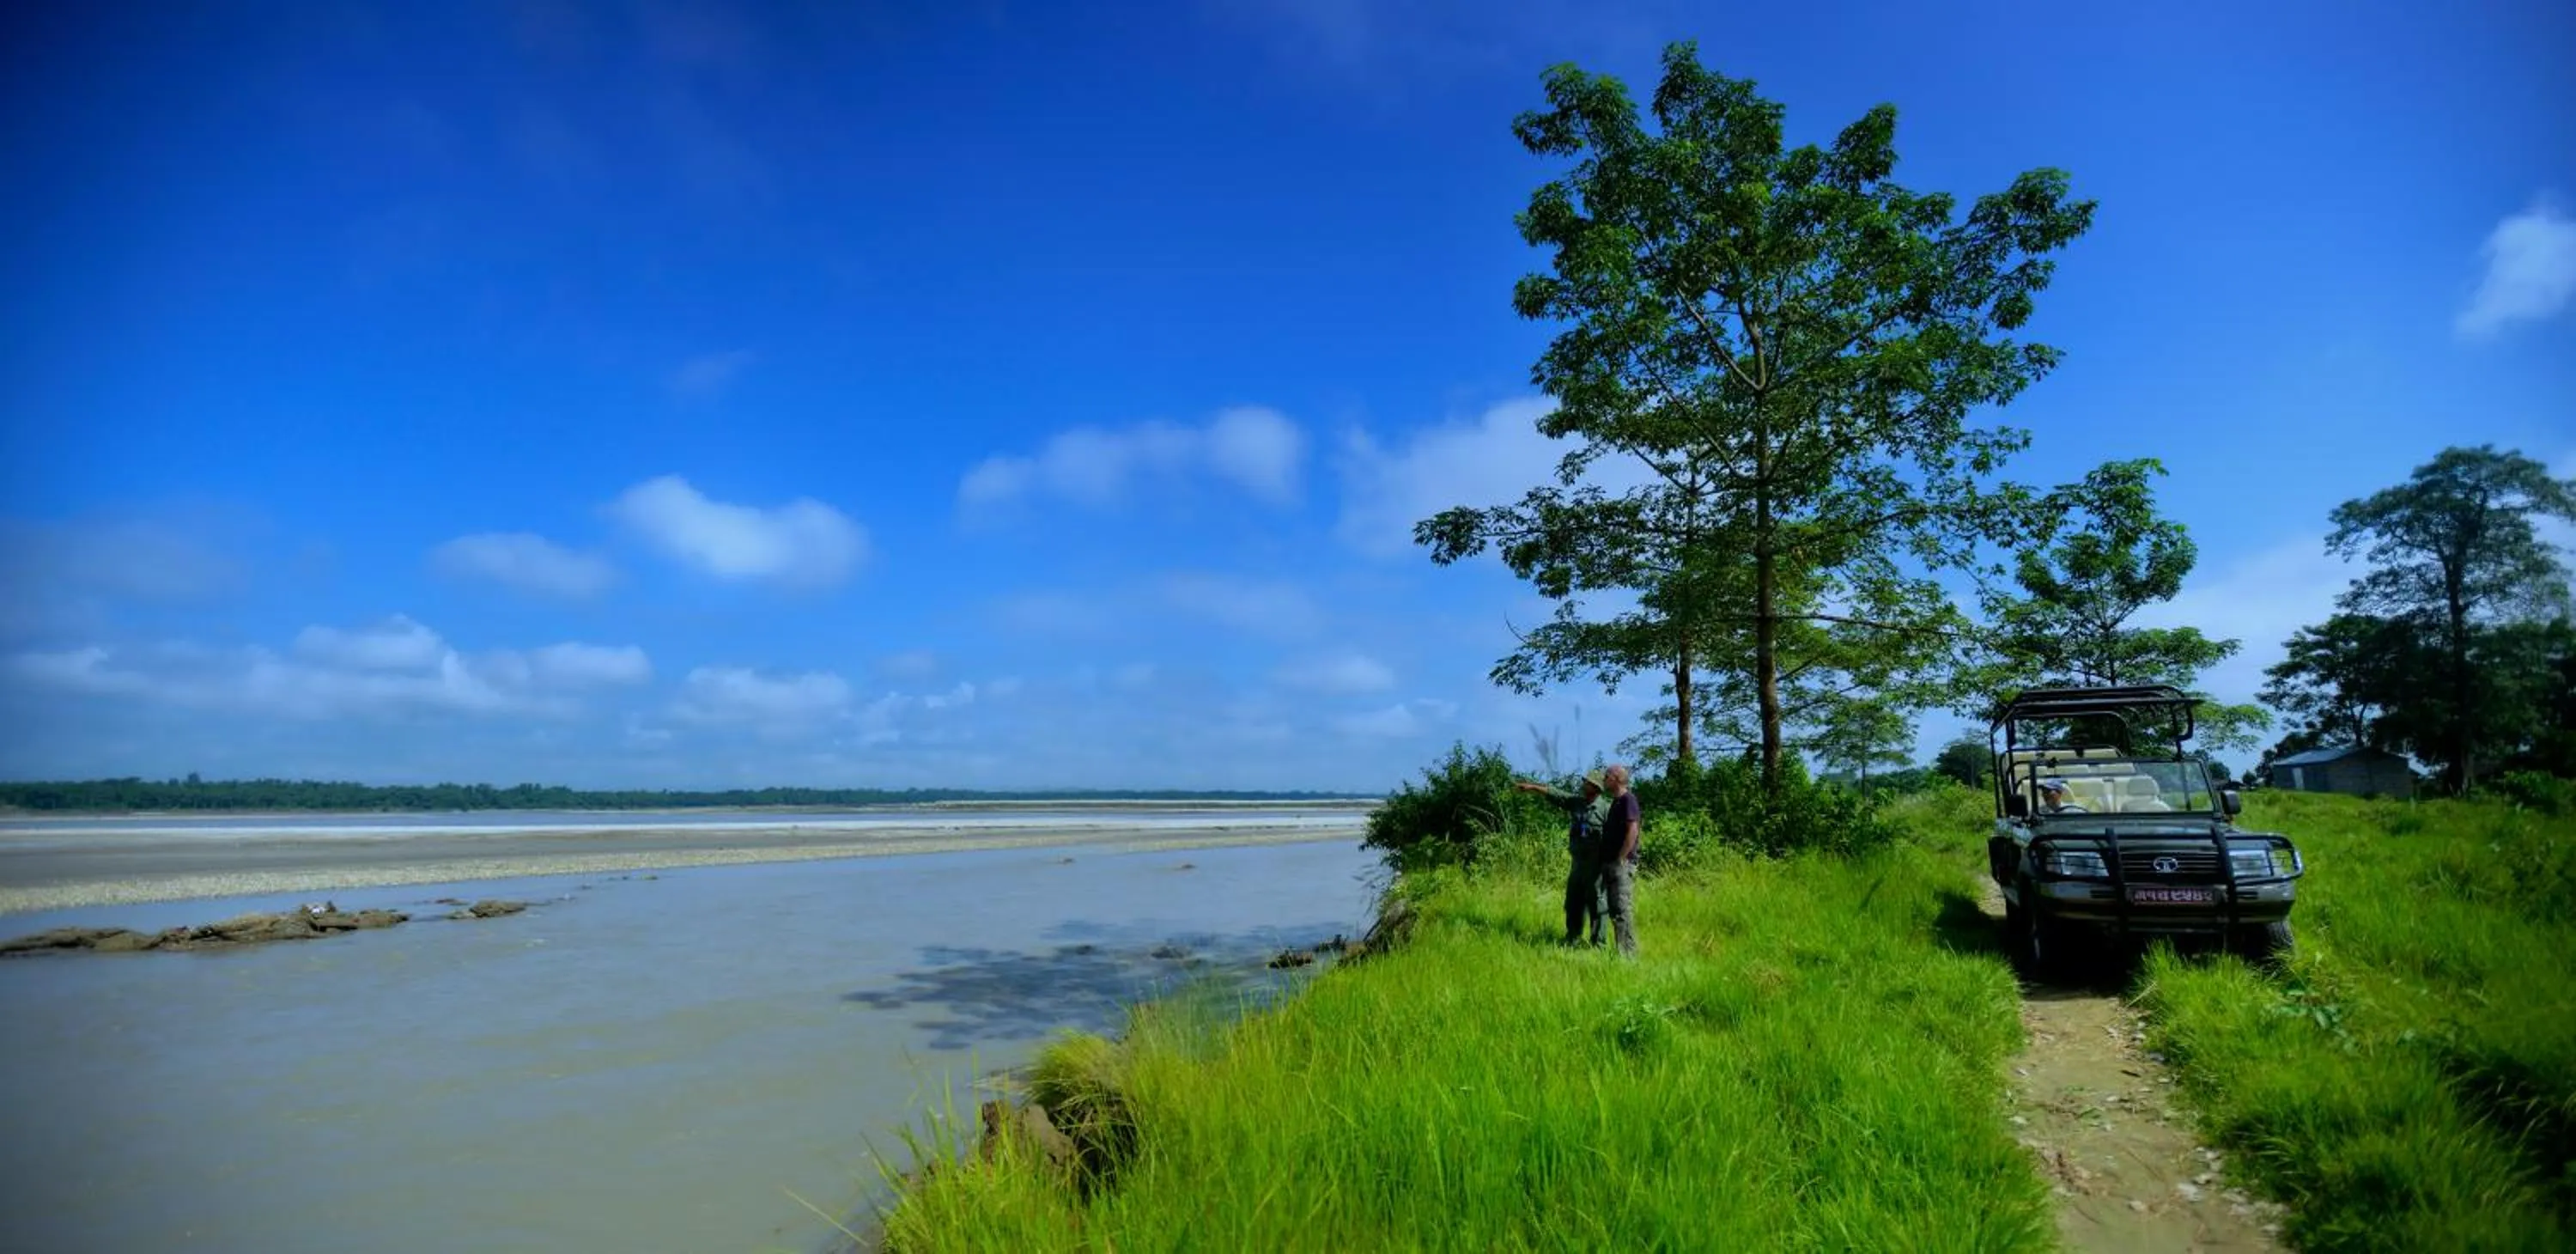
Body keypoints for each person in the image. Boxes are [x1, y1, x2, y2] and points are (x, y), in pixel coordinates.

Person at [1512, 768, 1611, 947]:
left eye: (1587, 782)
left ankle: (1598, 944)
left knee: (1597, 904)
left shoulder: (1606, 809)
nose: (1584, 784)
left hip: (1596, 867)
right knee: (1573, 902)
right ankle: (1572, 938)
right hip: (1577, 864)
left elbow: (1614, 837)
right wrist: (1533, 787)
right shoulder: (1577, 803)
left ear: (1595, 787)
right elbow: (1556, 794)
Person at [1598, 764, 1641, 957]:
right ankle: (1621, 951)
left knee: (1622, 909)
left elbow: (1633, 830)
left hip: (1621, 865)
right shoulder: (1616, 802)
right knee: (1615, 910)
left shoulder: (1627, 800)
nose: (1604, 780)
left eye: (1606, 776)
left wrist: (1621, 859)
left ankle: (1628, 955)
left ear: (1615, 778)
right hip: (1611, 863)